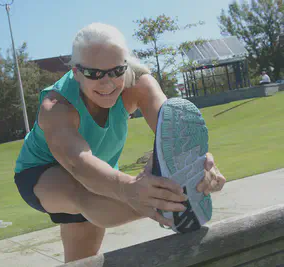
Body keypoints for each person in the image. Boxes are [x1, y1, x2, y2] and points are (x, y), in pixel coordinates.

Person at [13, 23, 226, 263]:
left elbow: (174, 134)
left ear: (125, 66)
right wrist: (132, 189)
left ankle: (172, 202)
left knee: (82, 261)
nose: (107, 83)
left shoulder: (138, 85)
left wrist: (202, 166)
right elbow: (77, 163)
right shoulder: (56, 107)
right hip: (43, 172)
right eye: (94, 74)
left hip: (101, 171)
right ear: (75, 72)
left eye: (116, 71)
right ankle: (172, 207)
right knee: (83, 193)